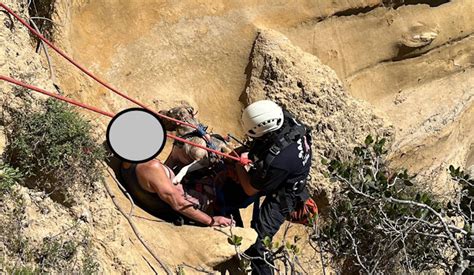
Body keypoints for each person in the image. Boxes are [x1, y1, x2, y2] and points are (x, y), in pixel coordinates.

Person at [233, 100, 312, 274]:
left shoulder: (277, 162)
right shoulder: (287, 120)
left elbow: (250, 189)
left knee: (258, 241)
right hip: (293, 172)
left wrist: (238, 164)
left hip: (284, 195)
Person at [120, 160, 233, 227]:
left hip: (171, 197)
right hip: (182, 210)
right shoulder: (151, 168)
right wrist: (212, 220)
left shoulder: (126, 162)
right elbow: (179, 203)